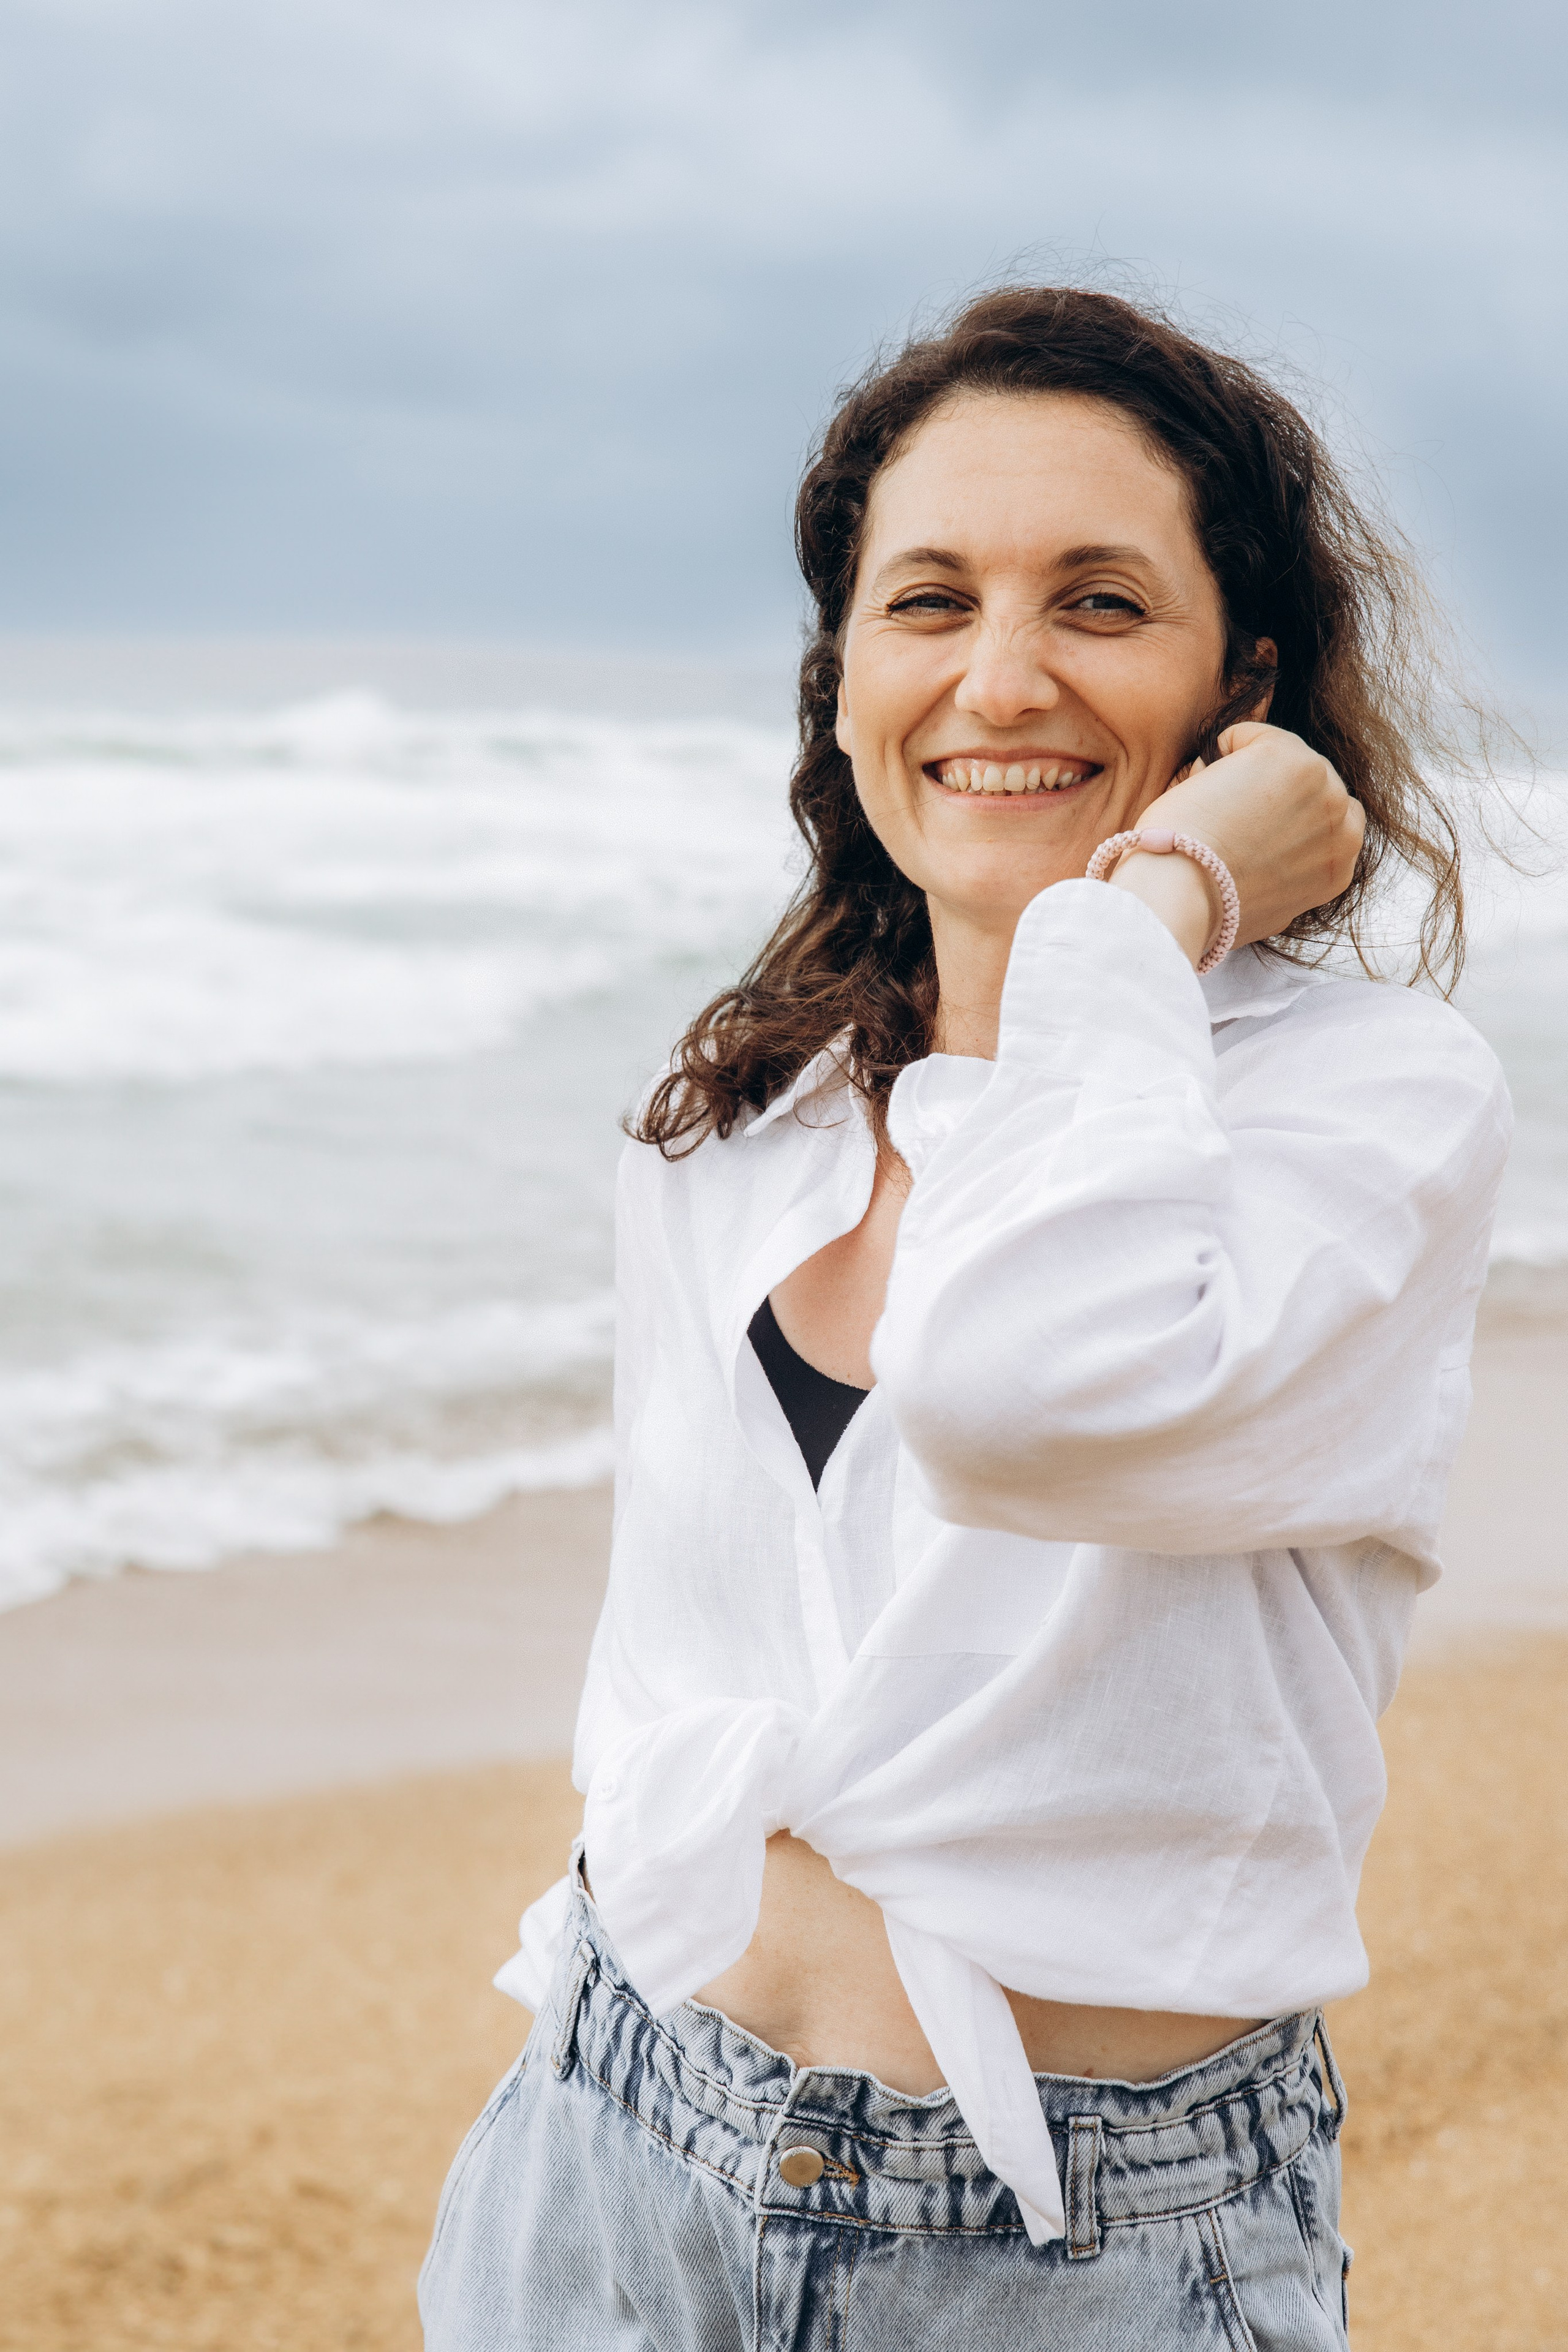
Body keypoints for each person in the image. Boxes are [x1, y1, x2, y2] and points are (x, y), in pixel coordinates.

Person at [420, 287, 1510, 2350]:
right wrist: (583, 1986)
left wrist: (1145, 909)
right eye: (930, 601)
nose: (1000, 675)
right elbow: (678, 1650)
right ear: (844, 676)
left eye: (1100, 603)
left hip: (1075, 2241)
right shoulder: (738, 1115)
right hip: (614, 2144)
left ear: (1242, 686)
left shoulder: (1371, 1107)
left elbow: (1018, 1396)